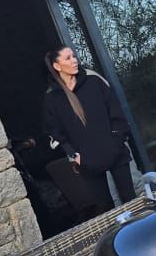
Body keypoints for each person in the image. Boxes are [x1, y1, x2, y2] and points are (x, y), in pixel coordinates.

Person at [42, 45, 134, 214]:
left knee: (131, 201)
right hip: (87, 163)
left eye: (74, 56)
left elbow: (116, 113)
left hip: (116, 153)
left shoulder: (94, 83)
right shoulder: (52, 99)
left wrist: (117, 140)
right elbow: (55, 132)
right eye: (68, 58)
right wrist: (74, 155)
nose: (74, 60)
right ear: (57, 66)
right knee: (105, 210)